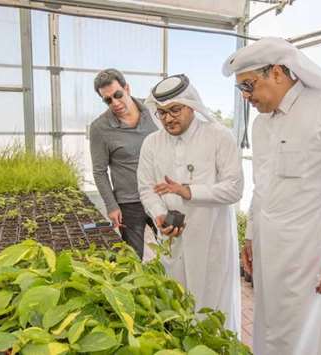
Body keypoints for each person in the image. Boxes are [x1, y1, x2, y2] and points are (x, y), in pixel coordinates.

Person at [222, 37, 321, 355]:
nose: (246, 96)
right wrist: (250, 236)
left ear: (277, 72)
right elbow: (261, 186)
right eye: (241, 90)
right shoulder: (262, 125)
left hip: (311, 253)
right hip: (269, 249)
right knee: (268, 327)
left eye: (248, 86)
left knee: (304, 334)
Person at [137, 74, 243, 332]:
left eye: (175, 110)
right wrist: (159, 215)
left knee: (213, 309)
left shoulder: (219, 136)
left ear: (192, 106)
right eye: (161, 113)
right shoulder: (152, 143)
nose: (168, 118)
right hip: (172, 241)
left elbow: (234, 189)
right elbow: (147, 188)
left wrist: (188, 192)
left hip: (212, 238)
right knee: (176, 305)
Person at [89, 68, 158, 259]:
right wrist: (111, 206)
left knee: (172, 252)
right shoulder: (99, 128)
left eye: (118, 95)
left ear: (127, 88)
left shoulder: (154, 110)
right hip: (129, 204)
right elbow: (99, 171)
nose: (115, 103)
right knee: (133, 259)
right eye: (108, 100)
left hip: (160, 195)